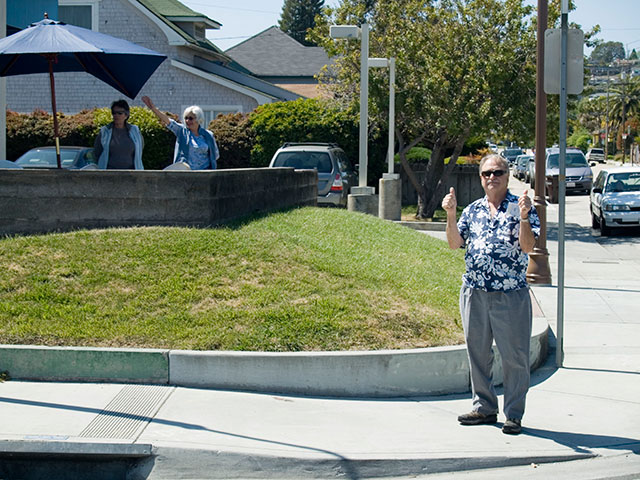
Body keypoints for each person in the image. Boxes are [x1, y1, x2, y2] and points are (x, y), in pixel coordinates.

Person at [441, 153, 540, 435]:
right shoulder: (472, 210)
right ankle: (484, 407)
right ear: (481, 178)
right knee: (478, 353)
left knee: (514, 357)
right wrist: (450, 214)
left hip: (511, 295)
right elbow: (454, 243)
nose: (492, 177)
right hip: (475, 292)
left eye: (497, 172)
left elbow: (528, 247)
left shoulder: (522, 207)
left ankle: (513, 415)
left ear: (507, 176)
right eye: (486, 173)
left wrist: (524, 217)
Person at [141, 96, 219, 170]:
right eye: (186, 118)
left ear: (199, 119)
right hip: (185, 173)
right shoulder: (182, 131)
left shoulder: (209, 135)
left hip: (205, 174)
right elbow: (168, 121)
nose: (187, 121)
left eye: (191, 118)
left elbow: (215, 155)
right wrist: (153, 109)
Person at [94, 100, 144, 170]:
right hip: (109, 172)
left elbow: (140, 149)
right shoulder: (105, 131)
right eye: (114, 113)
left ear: (126, 115)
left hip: (131, 172)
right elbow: (97, 152)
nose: (116, 115)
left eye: (120, 113)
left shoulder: (135, 130)